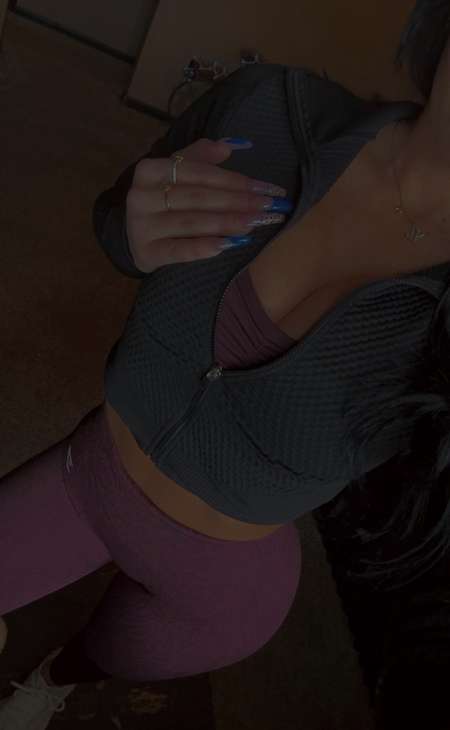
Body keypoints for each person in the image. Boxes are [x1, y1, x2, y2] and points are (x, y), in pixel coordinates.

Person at [2, 2, 450, 728]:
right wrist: (128, 230)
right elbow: (114, 220)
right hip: (91, 479)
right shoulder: (265, 106)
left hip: (224, 594)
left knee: (105, 656)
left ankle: (53, 679)